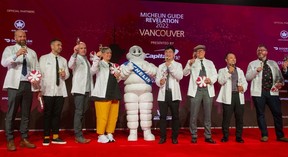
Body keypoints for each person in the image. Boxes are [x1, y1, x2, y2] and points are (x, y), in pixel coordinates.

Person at [1, 30, 39, 151]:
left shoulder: (32, 52)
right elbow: (3, 63)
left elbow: (36, 68)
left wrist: (37, 84)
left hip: (27, 85)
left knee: (25, 114)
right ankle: (10, 139)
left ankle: (24, 138)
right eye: (19, 36)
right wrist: (16, 54)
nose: (22, 38)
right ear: (15, 37)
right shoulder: (9, 49)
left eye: (24, 36)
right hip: (14, 85)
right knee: (11, 112)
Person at [246, 44, 288, 142]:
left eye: (262, 50)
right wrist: (256, 70)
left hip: (272, 92)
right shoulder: (252, 63)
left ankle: (280, 135)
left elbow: (279, 77)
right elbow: (247, 77)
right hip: (259, 93)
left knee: (277, 114)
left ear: (266, 52)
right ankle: (264, 135)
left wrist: (280, 83)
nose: (260, 52)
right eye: (258, 50)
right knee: (260, 114)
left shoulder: (273, 63)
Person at [120, 45, 157, 141]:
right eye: (134, 51)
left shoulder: (147, 64)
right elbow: (120, 76)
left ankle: (147, 132)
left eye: (138, 51)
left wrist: (147, 69)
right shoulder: (125, 65)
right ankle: (133, 132)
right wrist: (128, 69)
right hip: (130, 91)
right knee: (132, 112)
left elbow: (156, 72)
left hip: (145, 91)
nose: (136, 53)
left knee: (146, 112)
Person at [183, 45, 217, 144]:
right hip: (196, 90)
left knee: (208, 114)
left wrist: (211, 80)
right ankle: (194, 135)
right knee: (193, 114)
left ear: (204, 52)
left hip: (207, 90)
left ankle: (208, 136)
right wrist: (189, 63)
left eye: (201, 51)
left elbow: (215, 74)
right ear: (195, 53)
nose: (200, 53)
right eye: (198, 51)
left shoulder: (210, 62)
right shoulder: (191, 62)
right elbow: (184, 73)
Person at [39, 39, 70, 146]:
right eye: (58, 45)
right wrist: (39, 89)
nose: (60, 47)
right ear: (52, 46)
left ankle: (56, 136)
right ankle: (46, 136)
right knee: (48, 114)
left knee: (57, 114)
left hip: (60, 91)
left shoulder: (63, 60)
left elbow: (67, 75)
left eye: (61, 45)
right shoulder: (43, 58)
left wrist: (64, 75)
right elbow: (40, 74)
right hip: (47, 91)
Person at [90, 46, 122, 143]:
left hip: (114, 92)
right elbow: (92, 71)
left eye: (110, 53)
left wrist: (118, 76)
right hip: (102, 93)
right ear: (102, 54)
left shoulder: (114, 65)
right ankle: (100, 134)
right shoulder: (99, 63)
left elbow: (119, 78)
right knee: (102, 115)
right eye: (106, 53)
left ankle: (109, 132)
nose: (109, 55)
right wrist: (97, 57)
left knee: (113, 115)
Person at [216, 52, 248, 143]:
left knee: (239, 118)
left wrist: (243, 88)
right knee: (226, 118)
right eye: (230, 58)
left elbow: (245, 82)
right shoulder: (222, 70)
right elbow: (221, 81)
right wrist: (229, 72)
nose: (233, 59)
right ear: (226, 60)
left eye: (234, 58)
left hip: (238, 96)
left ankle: (238, 136)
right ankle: (225, 136)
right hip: (228, 96)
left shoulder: (240, 71)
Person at [155, 45, 183, 144]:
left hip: (174, 94)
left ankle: (174, 137)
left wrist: (169, 66)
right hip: (163, 94)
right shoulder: (160, 66)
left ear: (174, 54)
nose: (168, 54)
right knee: (162, 117)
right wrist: (160, 82)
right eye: (166, 52)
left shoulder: (178, 65)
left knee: (175, 116)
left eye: (170, 52)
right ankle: (163, 137)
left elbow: (179, 76)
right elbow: (157, 80)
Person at [68, 42, 93, 143]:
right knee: (79, 112)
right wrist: (74, 53)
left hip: (87, 90)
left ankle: (79, 133)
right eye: (81, 48)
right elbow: (70, 65)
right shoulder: (76, 58)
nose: (83, 50)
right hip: (79, 90)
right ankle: (78, 135)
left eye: (85, 48)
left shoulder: (87, 60)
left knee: (83, 111)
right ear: (77, 49)